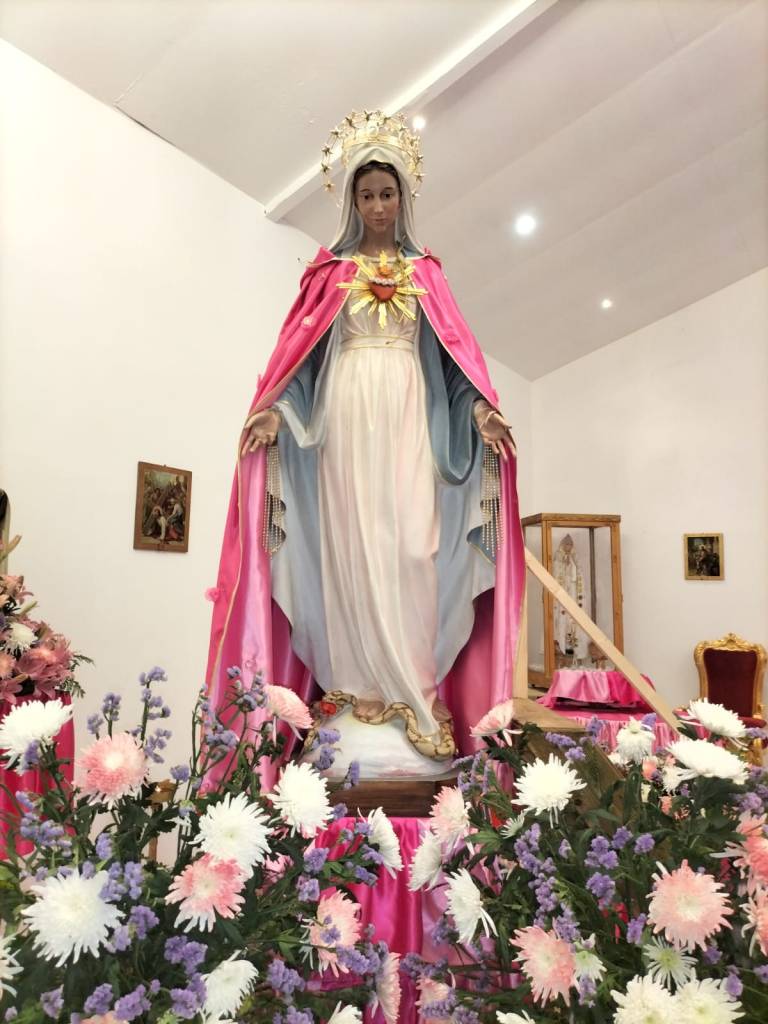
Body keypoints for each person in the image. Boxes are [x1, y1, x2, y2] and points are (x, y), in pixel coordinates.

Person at [206, 111, 525, 780]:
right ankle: (354, 689)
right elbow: (301, 365)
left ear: (404, 198)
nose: (378, 206)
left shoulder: (427, 274)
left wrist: (480, 411)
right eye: (367, 194)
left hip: (409, 412)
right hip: (346, 419)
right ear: (351, 200)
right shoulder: (331, 273)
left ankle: (413, 690)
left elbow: (454, 363)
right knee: (350, 545)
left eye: (388, 194)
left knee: (412, 547)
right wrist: (276, 412)